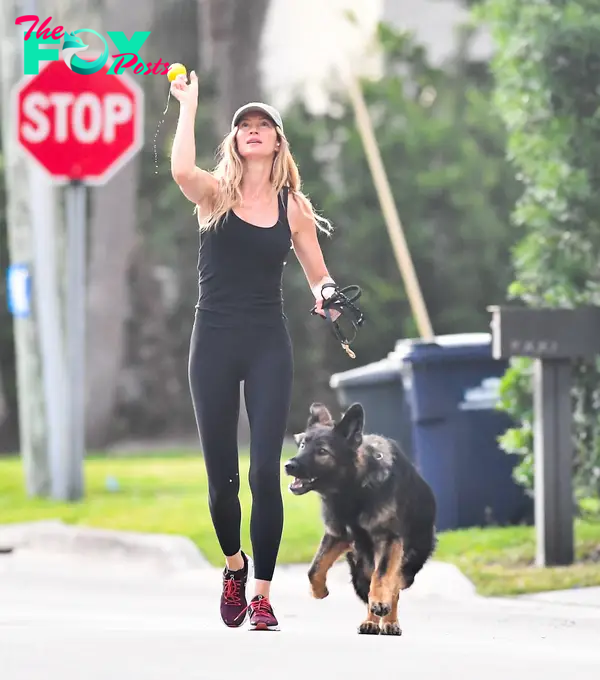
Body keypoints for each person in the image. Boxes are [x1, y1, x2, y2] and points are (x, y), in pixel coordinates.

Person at [169, 70, 339, 631]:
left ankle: (262, 594)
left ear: (278, 141)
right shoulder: (215, 195)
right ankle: (234, 567)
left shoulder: (294, 206)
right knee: (223, 480)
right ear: (236, 140)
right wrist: (188, 106)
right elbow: (179, 171)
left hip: (268, 342)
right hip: (213, 341)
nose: (254, 131)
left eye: (265, 125)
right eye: (245, 125)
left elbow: (318, 273)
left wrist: (329, 298)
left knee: (266, 471)